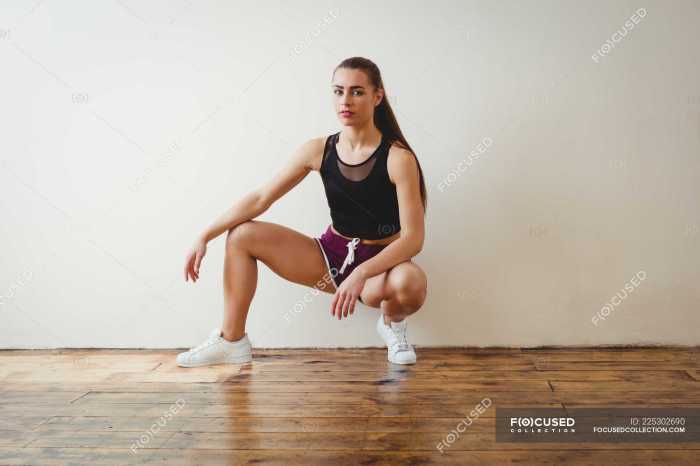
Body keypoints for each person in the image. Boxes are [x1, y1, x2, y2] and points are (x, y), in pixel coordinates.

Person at [177, 56, 428, 367]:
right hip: (329, 256)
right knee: (242, 236)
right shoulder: (317, 149)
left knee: (412, 283)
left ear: (377, 96)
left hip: (379, 269)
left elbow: (414, 239)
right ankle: (232, 341)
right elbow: (261, 197)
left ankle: (392, 322)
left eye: (357, 92)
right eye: (338, 91)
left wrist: (361, 273)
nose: (345, 101)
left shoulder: (398, 158)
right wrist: (205, 235)